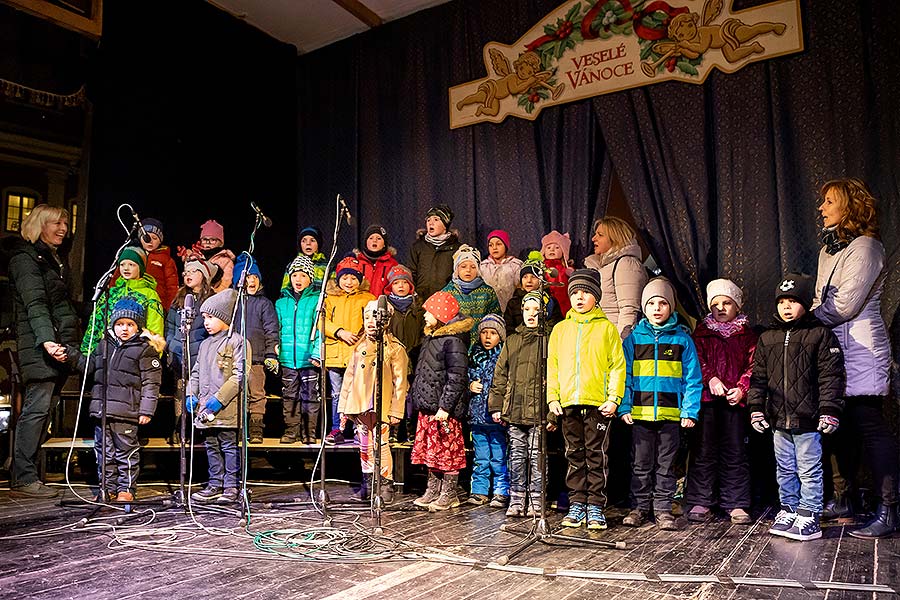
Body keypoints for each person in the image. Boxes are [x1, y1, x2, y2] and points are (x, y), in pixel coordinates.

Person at [812, 178, 899, 538]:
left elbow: (844, 305)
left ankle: (890, 508)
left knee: (868, 424)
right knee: (839, 427)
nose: (821, 208)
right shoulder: (829, 250)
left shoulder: (866, 247)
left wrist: (805, 320)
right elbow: (821, 298)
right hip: (835, 347)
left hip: (862, 348)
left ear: (848, 207)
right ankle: (844, 499)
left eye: (829, 201)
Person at [747, 274, 845, 541]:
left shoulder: (820, 335)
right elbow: (759, 377)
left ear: (806, 303)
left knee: (809, 468)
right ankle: (789, 509)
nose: (786, 307)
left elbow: (831, 377)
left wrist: (830, 410)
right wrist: (756, 407)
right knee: (784, 468)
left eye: (793, 301)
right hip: (779, 419)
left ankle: (810, 514)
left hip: (808, 419)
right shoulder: (768, 338)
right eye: (782, 301)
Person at [618, 277, 702, 530]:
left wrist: (689, 411)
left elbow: (692, 378)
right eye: (651, 303)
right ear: (644, 307)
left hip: (671, 415)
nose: (657, 308)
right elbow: (625, 376)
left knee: (666, 465)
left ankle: (663, 509)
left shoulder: (682, 340)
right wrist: (624, 406)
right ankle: (640, 507)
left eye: (663, 303)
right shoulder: (634, 339)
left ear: (671, 307)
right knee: (640, 464)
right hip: (641, 414)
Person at [8, 205, 80, 498]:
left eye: (65, 223)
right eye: (56, 223)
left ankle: (26, 470)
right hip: (40, 346)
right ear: (40, 224)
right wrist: (47, 341)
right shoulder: (25, 260)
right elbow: (35, 304)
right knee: (35, 411)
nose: (63, 228)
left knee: (44, 411)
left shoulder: (53, 259)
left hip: (58, 345)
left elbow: (63, 305)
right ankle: (23, 477)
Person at [547, 269, 626, 529]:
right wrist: (553, 398)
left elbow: (617, 366)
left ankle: (595, 506)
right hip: (568, 404)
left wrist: (614, 398)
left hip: (597, 405)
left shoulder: (607, 329)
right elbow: (553, 367)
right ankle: (577, 503)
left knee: (596, 456)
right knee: (574, 455)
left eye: (586, 292)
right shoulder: (560, 330)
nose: (580, 297)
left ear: (597, 297)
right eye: (575, 293)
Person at [68, 298, 164, 502]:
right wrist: (71, 355)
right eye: (120, 324)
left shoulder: (144, 349)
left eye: (130, 324)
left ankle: (126, 489)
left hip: (126, 412)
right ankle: (107, 488)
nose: (124, 329)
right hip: (103, 410)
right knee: (104, 452)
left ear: (138, 327)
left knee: (125, 453)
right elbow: (89, 367)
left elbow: (151, 383)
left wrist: (146, 410)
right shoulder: (104, 345)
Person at [684, 279, 757, 525]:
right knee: (704, 450)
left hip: (734, 402)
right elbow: (696, 361)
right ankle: (701, 499)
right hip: (707, 401)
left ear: (737, 306)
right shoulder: (701, 333)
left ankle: (735, 502)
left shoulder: (747, 335)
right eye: (716, 304)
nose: (722, 308)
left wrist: (742, 389)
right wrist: (711, 379)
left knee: (735, 451)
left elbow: (753, 365)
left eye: (727, 303)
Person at [338, 299, 409, 504]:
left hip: (382, 405)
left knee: (382, 444)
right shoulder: (359, 346)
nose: (370, 322)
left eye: (374, 317)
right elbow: (349, 378)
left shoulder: (394, 348)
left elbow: (400, 382)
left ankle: (385, 482)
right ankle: (368, 482)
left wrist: (396, 409)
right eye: (366, 317)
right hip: (360, 405)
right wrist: (343, 407)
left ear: (385, 320)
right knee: (364, 444)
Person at [490, 293, 553, 517]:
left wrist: (552, 414)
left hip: (539, 411)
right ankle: (517, 497)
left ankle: (536, 499)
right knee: (516, 454)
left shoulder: (548, 339)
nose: (531, 314)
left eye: (537, 310)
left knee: (536, 456)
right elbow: (500, 374)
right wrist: (497, 406)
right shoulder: (513, 339)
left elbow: (555, 376)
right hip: (515, 408)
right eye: (527, 309)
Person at [410, 291, 473, 511]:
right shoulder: (431, 338)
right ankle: (432, 490)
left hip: (443, 410)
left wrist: (445, 406)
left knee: (447, 452)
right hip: (429, 407)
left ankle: (449, 493)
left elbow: (457, 377)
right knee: (432, 451)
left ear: (441, 314)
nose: (425, 315)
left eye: (429, 311)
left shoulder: (453, 342)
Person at [186, 289, 247, 505]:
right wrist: (191, 394)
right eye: (204, 318)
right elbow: (195, 372)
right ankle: (215, 483)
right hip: (205, 408)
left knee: (228, 445)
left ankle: (231, 485)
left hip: (226, 407)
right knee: (211, 445)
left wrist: (220, 399)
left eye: (211, 317)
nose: (206, 322)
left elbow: (240, 376)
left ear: (224, 317)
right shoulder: (204, 345)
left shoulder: (238, 342)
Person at [323, 255, 376, 444]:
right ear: (338, 279)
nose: (349, 282)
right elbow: (321, 322)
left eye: (353, 278)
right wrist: (339, 332)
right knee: (338, 394)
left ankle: (358, 428)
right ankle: (338, 429)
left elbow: (373, 322)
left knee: (358, 391)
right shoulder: (329, 298)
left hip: (358, 354)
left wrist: (362, 339)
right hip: (336, 354)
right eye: (345, 278)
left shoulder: (367, 298)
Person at [230, 254, 279, 443]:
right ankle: (238, 427)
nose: (251, 281)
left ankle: (256, 427)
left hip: (256, 358)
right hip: (235, 358)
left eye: (254, 278)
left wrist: (270, 354)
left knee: (256, 393)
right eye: (247, 277)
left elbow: (271, 330)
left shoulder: (264, 304)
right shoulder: (232, 303)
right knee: (236, 393)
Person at [165, 259, 215, 444]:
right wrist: (171, 345)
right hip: (180, 356)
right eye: (186, 272)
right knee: (180, 392)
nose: (188, 275)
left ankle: (198, 430)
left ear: (204, 275)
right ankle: (180, 427)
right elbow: (169, 326)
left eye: (194, 271)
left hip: (201, 359)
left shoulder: (211, 299)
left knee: (199, 394)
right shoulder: (178, 300)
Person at [81, 246, 165, 356]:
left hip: (136, 354)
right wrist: (88, 352)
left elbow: (155, 327)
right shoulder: (111, 293)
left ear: (140, 267)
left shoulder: (149, 295)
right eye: (122, 264)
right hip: (107, 353)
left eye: (131, 265)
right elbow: (96, 323)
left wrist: (151, 355)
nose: (126, 268)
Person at [275, 255, 322, 444]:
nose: (298, 279)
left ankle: (309, 432)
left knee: (310, 397)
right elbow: (275, 329)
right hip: (287, 358)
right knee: (289, 396)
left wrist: (317, 352)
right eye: (295, 275)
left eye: (303, 275)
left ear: (310, 278)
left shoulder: (316, 300)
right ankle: (291, 431)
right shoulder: (281, 302)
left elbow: (320, 329)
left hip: (308, 358)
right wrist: (275, 347)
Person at [466, 313, 509, 508]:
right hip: (477, 417)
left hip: (496, 418)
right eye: (484, 332)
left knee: (499, 456)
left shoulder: (503, 357)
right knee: (481, 456)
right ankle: (480, 490)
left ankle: (501, 490)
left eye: (493, 333)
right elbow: (465, 377)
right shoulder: (473, 355)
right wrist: (470, 385)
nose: (488, 337)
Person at [584, 216, 648, 338]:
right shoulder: (605, 266)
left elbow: (629, 309)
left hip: (614, 340)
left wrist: (620, 344)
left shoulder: (626, 264)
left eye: (600, 235)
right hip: (601, 338)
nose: (593, 238)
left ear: (614, 238)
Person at [384, 264, 425, 442]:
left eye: (404, 282)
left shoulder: (418, 307)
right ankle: (393, 431)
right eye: (396, 283)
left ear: (410, 286)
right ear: (390, 286)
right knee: (393, 393)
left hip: (414, 356)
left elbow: (425, 331)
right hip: (392, 358)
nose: (400, 286)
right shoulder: (385, 306)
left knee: (410, 395)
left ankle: (410, 431)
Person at [110, 218, 179, 311]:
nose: (150, 241)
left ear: (160, 240)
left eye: (154, 238)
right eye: (146, 237)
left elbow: (172, 288)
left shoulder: (166, 260)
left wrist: (168, 309)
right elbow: (115, 279)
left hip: (155, 306)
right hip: (128, 303)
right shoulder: (131, 255)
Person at [441, 245, 501, 345]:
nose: (468, 270)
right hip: (454, 346)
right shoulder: (447, 293)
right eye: (463, 266)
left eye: (473, 267)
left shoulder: (487, 292)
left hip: (481, 346)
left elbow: (496, 320)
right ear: (456, 269)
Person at [408, 204, 462, 301]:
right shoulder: (418, 246)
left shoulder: (457, 248)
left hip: (446, 300)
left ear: (445, 224)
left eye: (436, 220)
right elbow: (411, 272)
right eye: (428, 220)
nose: (431, 223)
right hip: (421, 300)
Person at [503, 251, 563, 335]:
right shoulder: (513, 303)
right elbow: (509, 328)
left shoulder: (550, 302)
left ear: (541, 280)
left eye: (533, 277)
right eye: (525, 277)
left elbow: (556, 325)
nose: (529, 281)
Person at [178, 220, 236, 294]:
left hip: (214, 297)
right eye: (205, 239)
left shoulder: (226, 261)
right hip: (194, 295)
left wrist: (213, 295)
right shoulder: (196, 256)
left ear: (220, 243)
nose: (208, 242)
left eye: (213, 240)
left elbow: (225, 282)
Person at [479, 229, 522, 312]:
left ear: (506, 246)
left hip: (510, 311)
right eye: (491, 245)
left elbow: (520, 289)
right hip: (487, 311)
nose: (494, 248)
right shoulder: (483, 267)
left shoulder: (515, 266)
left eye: (498, 244)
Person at [355, 224, 399, 297]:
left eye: (379, 238)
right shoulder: (356, 263)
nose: (374, 240)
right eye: (371, 238)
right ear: (366, 242)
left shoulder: (392, 264)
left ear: (384, 244)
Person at [281, 225, 328, 292]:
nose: (308, 244)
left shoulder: (327, 266)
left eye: (312, 240)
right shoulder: (293, 265)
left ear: (318, 243)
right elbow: (285, 290)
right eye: (304, 241)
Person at [540, 230, 575, 316]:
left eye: (557, 248)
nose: (552, 249)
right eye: (548, 248)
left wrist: (571, 273)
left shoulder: (565, 269)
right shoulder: (541, 268)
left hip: (563, 304)